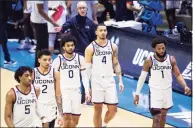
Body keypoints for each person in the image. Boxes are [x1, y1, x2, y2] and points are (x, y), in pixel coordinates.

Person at [133, 37, 191, 127]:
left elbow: (178, 74)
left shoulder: (171, 59)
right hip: (155, 91)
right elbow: (142, 77)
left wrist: (185, 86)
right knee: (156, 118)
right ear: (154, 49)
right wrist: (137, 93)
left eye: (163, 48)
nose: (161, 50)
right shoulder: (149, 60)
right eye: (159, 49)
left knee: (163, 116)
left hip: (167, 91)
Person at [85, 23, 124, 127]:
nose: (103, 32)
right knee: (98, 109)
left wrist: (120, 80)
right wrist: (87, 86)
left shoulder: (113, 46)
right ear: (96, 32)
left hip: (109, 80)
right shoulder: (90, 48)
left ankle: (104, 124)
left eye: (105, 30)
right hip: (96, 80)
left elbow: (116, 63)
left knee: (113, 110)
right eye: (100, 30)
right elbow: (87, 69)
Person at [60, 1, 96, 104]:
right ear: (77, 9)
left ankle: (86, 97)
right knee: (76, 76)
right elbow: (64, 27)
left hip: (88, 54)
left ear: (87, 9)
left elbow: (94, 40)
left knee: (87, 76)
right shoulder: (73, 20)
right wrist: (61, 30)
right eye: (80, 8)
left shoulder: (90, 23)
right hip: (77, 53)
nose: (82, 10)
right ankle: (72, 96)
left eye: (84, 8)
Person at [52, 35, 91, 127]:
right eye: (68, 45)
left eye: (72, 45)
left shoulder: (80, 59)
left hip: (76, 92)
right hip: (64, 92)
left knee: (75, 121)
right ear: (63, 47)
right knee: (67, 119)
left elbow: (84, 77)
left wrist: (87, 91)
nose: (70, 47)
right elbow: (52, 78)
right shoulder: (58, 60)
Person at [33, 49, 63, 127]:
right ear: (39, 60)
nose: (47, 62)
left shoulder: (55, 73)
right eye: (45, 60)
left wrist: (60, 113)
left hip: (51, 107)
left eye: (49, 60)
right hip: (37, 106)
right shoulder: (33, 73)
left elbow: (58, 94)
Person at [30, 1, 59, 67]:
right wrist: (53, 23)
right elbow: (40, 10)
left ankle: (39, 65)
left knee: (40, 45)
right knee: (42, 46)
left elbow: (41, 7)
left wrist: (51, 8)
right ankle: (39, 66)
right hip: (40, 22)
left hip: (36, 20)